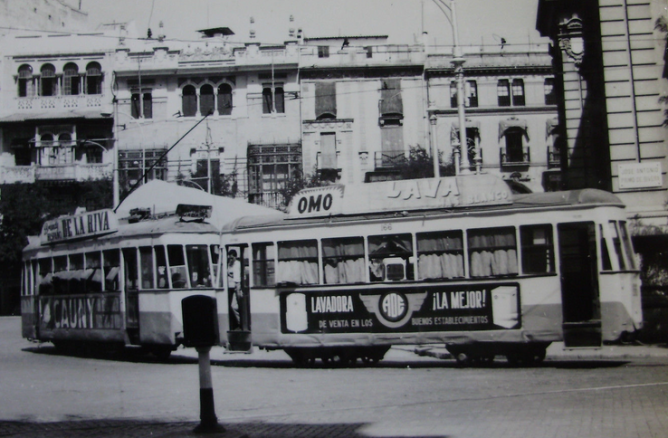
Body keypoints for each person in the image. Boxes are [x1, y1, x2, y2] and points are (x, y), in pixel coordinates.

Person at [227, 250, 242, 329]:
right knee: (232, 306)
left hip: (237, 285)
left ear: (235, 257)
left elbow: (238, 276)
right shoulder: (229, 265)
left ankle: (241, 323)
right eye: (229, 258)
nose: (230, 259)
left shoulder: (238, 264)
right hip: (230, 287)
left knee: (239, 304)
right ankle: (238, 322)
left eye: (232, 258)